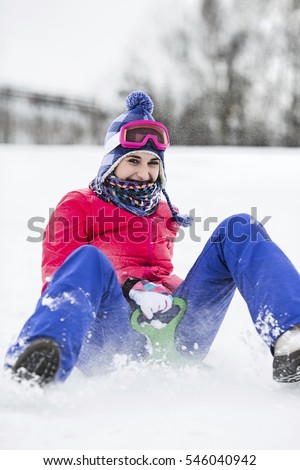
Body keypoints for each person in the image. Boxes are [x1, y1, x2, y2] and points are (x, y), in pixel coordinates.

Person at [5, 91, 300, 386]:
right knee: (87, 259)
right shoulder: (78, 204)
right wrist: (131, 288)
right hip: (112, 339)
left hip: (176, 330)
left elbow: (156, 270)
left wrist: (162, 290)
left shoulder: (161, 210)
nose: (144, 173)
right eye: (133, 160)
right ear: (111, 162)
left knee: (240, 228)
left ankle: (291, 335)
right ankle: (40, 356)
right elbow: (58, 276)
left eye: (153, 163)